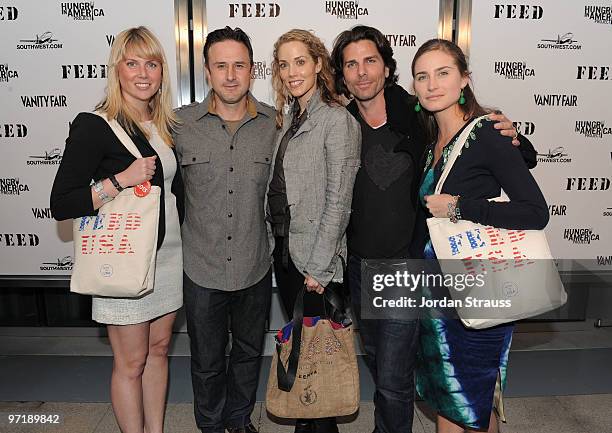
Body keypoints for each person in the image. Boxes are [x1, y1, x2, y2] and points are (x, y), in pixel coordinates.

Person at [330, 25, 536, 433]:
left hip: (409, 266)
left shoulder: (415, 111)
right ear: (342, 74)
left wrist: (517, 139)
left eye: (370, 61)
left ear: (387, 68)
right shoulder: (340, 121)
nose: (362, 72)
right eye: (351, 65)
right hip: (361, 266)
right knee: (382, 363)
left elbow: (486, 145)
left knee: (398, 379)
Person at [410, 38, 549, 433]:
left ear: (464, 79)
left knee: (463, 400)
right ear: (415, 87)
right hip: (438, 293)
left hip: (477, 290)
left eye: (443, 73)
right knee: (457, 399)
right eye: (423, 76)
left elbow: (535, 211)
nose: (432, 84)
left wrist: (460, 206)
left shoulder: (486, 132)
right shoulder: (432, 141)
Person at [50, 26, 184, 433]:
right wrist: (118, 180)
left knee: (159, 352)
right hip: (123, 259)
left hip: (167, 255)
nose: (143, 73)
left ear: (162, 71)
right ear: (117, 70)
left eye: (152, 63)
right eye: (132, 63)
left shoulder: (164, 125)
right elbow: (62, 202)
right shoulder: (95, 124)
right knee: (131, 363)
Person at [173, 27, 276, 433]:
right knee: (207, 359)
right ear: (207, 71)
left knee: (250, 353)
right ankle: (211, 424)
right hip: (202, 266)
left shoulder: (275, 123)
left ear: (252, 70)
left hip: (254, 263)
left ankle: (239, 419)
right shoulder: (179, 125)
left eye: (239, 65)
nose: (231, 75)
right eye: (221, 66)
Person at [266, 29, 361, 433]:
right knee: (304, 359)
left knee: (321, 360)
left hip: (316, 267)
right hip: (287, 256)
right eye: (284, 64)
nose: (291, 72)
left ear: (319, 63)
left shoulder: (337, 120)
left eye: (299, 61)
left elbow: (339, 202)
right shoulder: (289, 118)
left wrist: (319, 270)